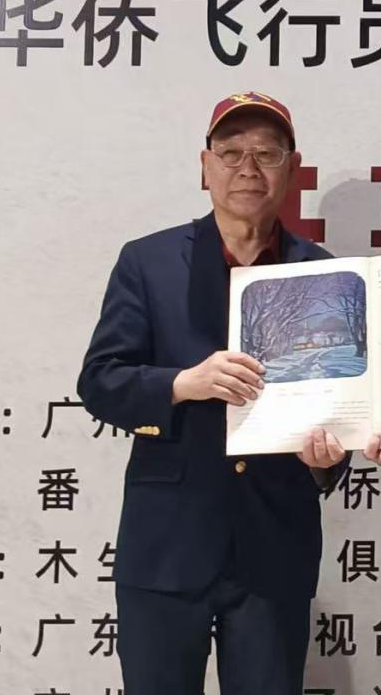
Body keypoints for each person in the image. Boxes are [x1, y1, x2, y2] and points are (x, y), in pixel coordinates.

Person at [76, 91, 354, 695]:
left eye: (267, 154)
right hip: (167, 544)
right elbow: (100, 381)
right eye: (231, 153)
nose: (248, 169)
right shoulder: (148, 262)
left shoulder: (324, 273)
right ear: (205, 166)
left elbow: (341, 401)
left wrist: (326, 460)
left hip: (274, 547)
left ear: (292, 168)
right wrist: (182, 383)